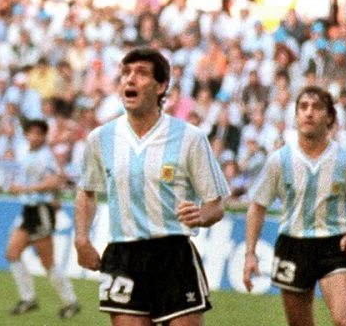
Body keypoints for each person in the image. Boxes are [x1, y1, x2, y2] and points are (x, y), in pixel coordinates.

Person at [74, 47, 230, 326]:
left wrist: (202, 215)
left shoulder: (189, 138)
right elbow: (86, 191)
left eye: (141, 73)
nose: (130, 79)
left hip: (173, 254)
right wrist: (82, 240)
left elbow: (215, 205)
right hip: (123, 255)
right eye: (126, 73)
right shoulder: (101, 138)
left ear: (161, 86)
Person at [242, 86, 346, 326]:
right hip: (293, 245)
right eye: (303, 107)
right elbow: (257, 206)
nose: (309, 112)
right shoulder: (279, 160)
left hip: (335, 245)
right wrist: (250, 253)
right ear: (296, 116)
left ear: (330, 117)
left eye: (317, 107)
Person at [5, 119, 80, 319]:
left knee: (47, 261)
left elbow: (54, 181)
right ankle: (28, 298)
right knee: (12, 253)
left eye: (39, 133)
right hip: (29, 209)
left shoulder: (46, 156)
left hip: (41, 209)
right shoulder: (27, 154)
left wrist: (26, 189)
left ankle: (70, 301)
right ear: (26, 135)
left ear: (44, 136)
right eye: (31, 132)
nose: (34, 136)